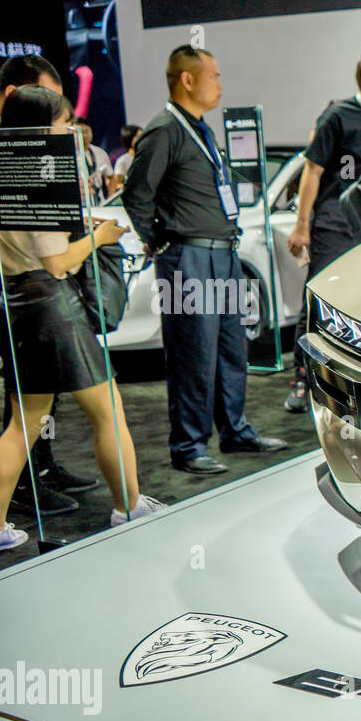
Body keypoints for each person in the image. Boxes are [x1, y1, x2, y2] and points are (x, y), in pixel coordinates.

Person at [0, 87, 166, 552]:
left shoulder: (5, 169)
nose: (70, 129)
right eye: (63, 120)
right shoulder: (43, 170)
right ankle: (129, 507)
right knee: (108, 411)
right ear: (41, 124)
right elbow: (55, 262)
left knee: (24, 422)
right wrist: (104, 235)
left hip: (15, 303)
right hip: (54, 306)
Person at [123, 45, 286, 474]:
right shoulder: (164, 130)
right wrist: (158, 241)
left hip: (222, 254)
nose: (220, 83)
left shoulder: (199, 129)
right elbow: (136, 194)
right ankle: (189, 446)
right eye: (213, 75)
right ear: (187, 80)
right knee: (192, 354)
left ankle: (234, 430)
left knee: (232, 348)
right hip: (187, 257)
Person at [0, 54, 97, 516]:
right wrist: (97, 238)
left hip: (25, 296)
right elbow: (55, 260)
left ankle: (39, 472)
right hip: (34, 297)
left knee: (29, 414)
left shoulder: (25, 161)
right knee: (29, 414)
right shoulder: (28, 164)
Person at [283, 48, 361, 413]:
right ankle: (302, 377)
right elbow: (313, 170)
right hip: (335, 224)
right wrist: (302, 225)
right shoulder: (338, 115)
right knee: (318, 300)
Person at [74, 117, 112, 205]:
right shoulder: (70, 153)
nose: (83, 135)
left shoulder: (100, 152)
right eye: (79, 132)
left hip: (100, 203)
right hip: (81, 205)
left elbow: (111, 176)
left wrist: (110, 197)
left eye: (86, 131)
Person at [108, 124, 142, 195]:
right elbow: (117, 184)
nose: (142, 139)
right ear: (129, 139)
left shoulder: (147, 155)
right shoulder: (123, 160)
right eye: (138, 137)